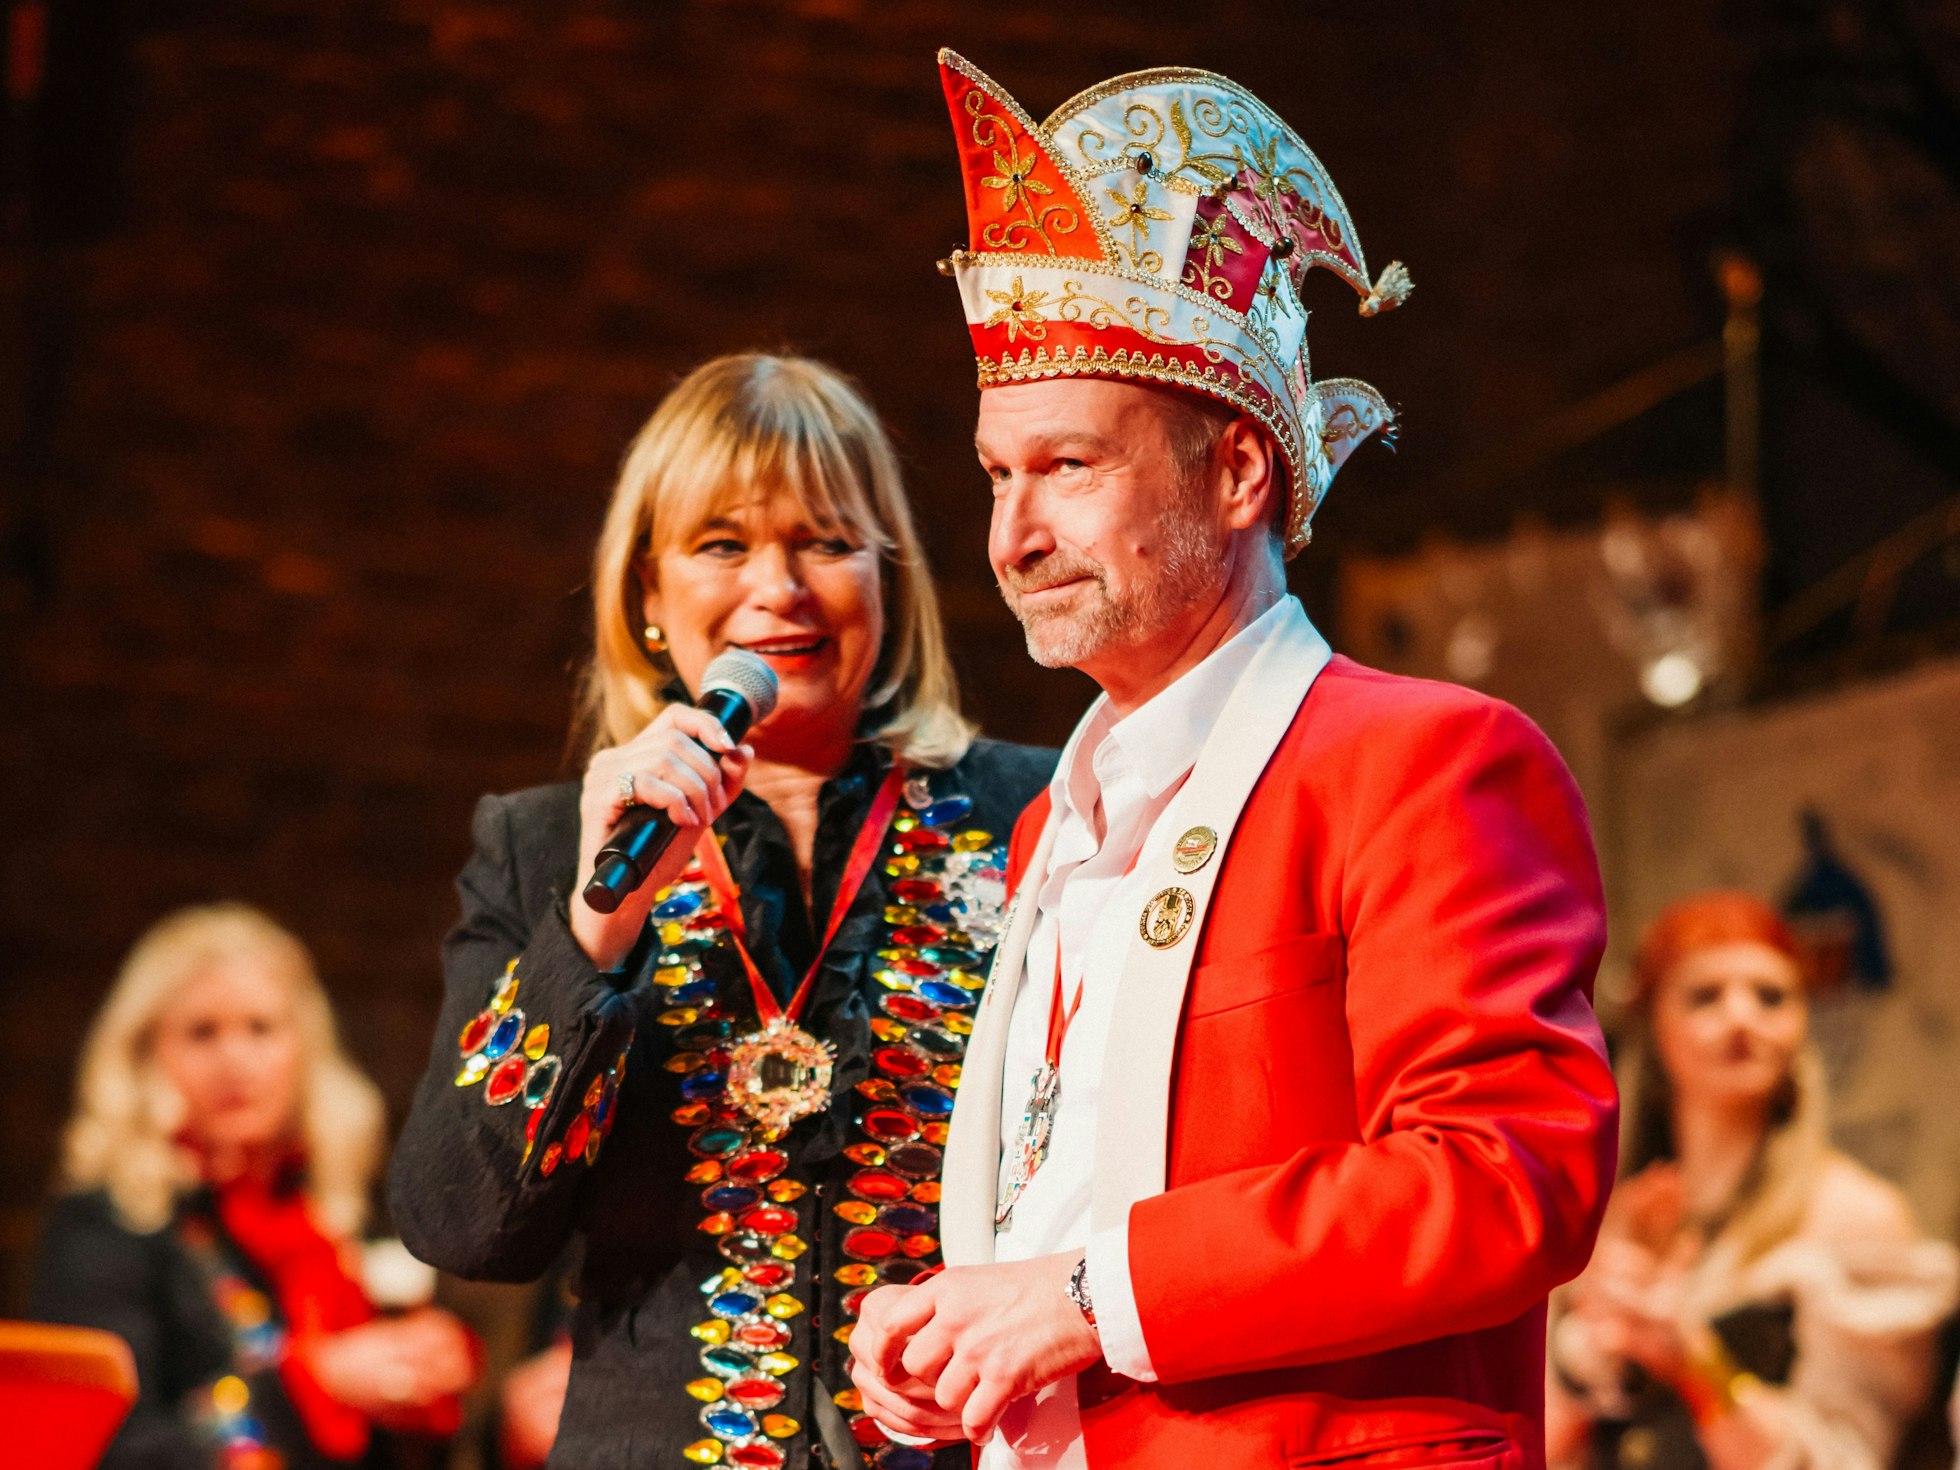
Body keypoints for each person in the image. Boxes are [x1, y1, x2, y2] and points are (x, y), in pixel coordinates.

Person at [846, 52, 1621, 1470]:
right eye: (995, 475)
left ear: (1240, 473)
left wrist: (1085, 1296)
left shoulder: (1426, 761)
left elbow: (1505, 1175)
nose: (1013, 533)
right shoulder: (1047, 830)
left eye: (1070, 466)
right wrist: (966, 1314)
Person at [386, 352, 1054, 1470]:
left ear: (887, 578)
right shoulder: (546, 844)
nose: (778, 590)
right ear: (648, 593)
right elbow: (460, 1225)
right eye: (723, 544)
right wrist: (600, 923)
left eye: (825, 542)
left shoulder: (1037, 810)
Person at [32, 903, 481, 1470]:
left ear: (304, 1050)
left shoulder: (322, 1217)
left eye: (261, 1028)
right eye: (202, 1033)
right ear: (147, 1055)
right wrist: (310, 1386)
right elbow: (102, 1450)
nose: (235, 1059)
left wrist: (421, 1389)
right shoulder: (107, 1226)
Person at [1546, 892, 1957, 1470]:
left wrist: (1696, 1362)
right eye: (1704, 996)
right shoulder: (1613, 1215)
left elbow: (1851, 1459)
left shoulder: (1854, 1215)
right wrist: (1589, 1350)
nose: (1741, 1017)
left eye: (1771, 996)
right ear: (1655, 1022)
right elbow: (1540, 1442)